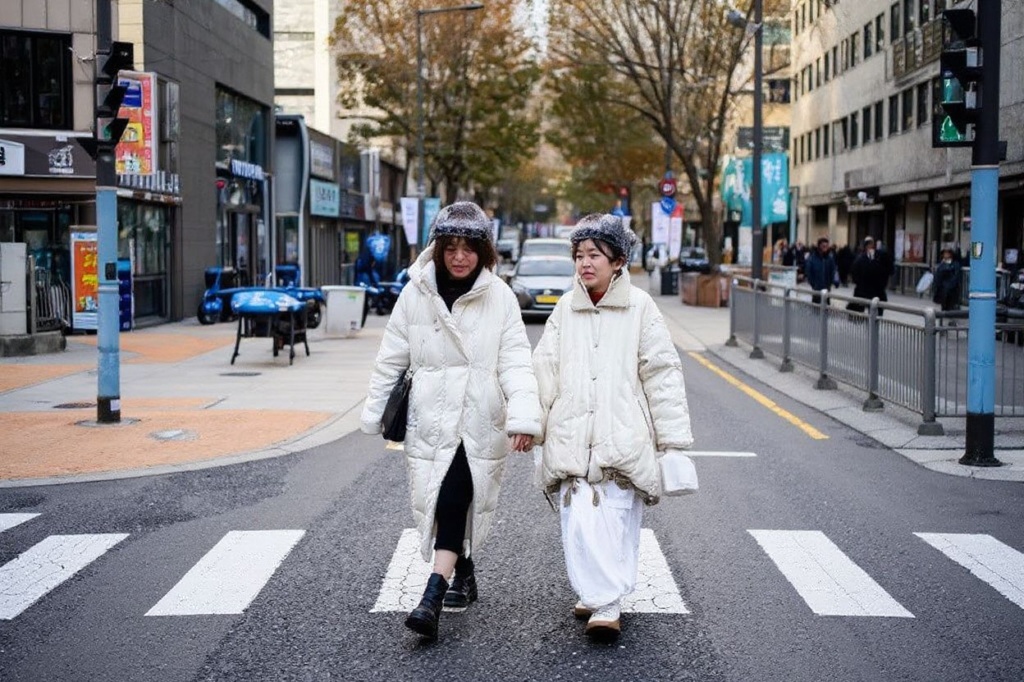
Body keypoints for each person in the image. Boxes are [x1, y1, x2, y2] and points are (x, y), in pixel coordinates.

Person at [360, 201, 541, 641]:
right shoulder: (415, 292)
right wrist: (374, 410)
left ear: (484, 251)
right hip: (431, 416)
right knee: (443, 496)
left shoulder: (499, 296)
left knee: (454, 493)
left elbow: (516, 361)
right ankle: (466, 571)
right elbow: (392, 357)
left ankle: (431, 597)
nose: (460, 257)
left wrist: (523, 417)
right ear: (438, 249)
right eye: (451, 248)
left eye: (469, 248)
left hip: (479, 417)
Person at [532, 214, 694, 640]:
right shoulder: (566, 309)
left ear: (618, 260)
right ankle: (596, 590)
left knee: (616, 519)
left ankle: (606, 601)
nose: (585, 264)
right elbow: (544, 368)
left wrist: (673, 441)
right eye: (580, 255)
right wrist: (530, 421)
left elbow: (662, 373)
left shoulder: (641, 307)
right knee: (578, 519)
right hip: (572, 434)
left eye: (595, 255)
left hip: (622, 436)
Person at [849, 236, 891, 315]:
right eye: (868, 245)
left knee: (876, 314)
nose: (870, 247)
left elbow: (886, 271)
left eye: (872, 245)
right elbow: (855, 274)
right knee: (866, 314)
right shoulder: (860, 260)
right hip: (865, 291)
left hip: (876, 292)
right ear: (865, 247)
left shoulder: (879, 258)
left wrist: (882, 284)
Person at [804, 236, 837, 305]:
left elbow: (833, 270)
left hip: (827, 289)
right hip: (817, 289)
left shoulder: (829, 259)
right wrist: (814, 285)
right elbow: (809, 272)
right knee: (816, 309)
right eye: (823, 246)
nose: (825, 248)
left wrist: (833, 282)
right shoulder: (812, 258)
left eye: (826, 246)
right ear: (819, 246)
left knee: (826, 308)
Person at [932, 247, 962, 320]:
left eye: (947, 253)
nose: (946, 255)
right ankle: (943, 318)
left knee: (951, 305)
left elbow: (956, 276)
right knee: (944, 304)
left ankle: (950, 318)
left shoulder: (955, 264)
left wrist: (950, 285)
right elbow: (938, 276)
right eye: (944, 253)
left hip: (952, 289)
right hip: (942, 288)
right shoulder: (941, 264)